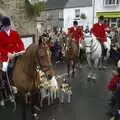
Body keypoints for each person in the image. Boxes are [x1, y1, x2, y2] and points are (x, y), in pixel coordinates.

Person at [0, 16, 25, 106]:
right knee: (4, 72)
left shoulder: (15, 33)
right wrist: (7, 53)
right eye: (6, 26)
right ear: (3, 26)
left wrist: (21, 50)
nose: (7, 28)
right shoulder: (0, 35)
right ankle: (6, 87)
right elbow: (0, 47)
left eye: (9, 26)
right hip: (6, 57)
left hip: (15, 55)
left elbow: (20, 42)